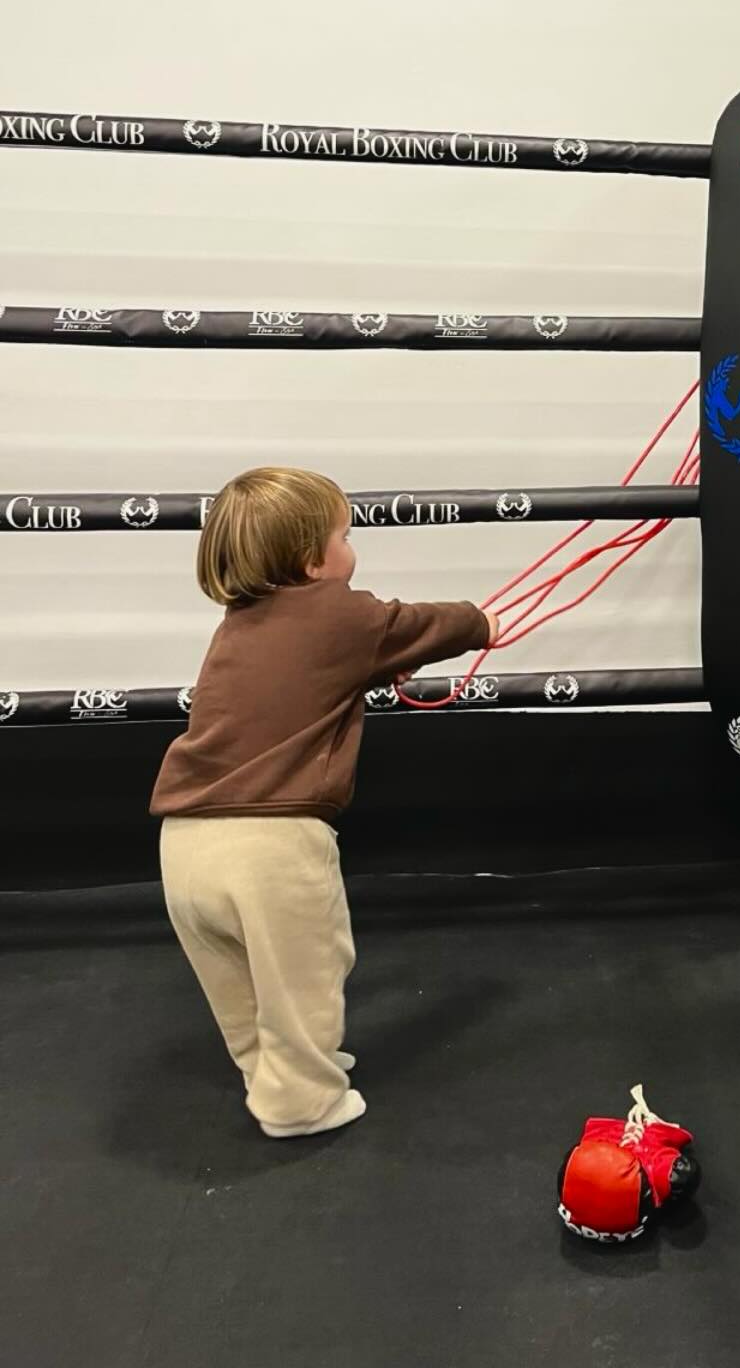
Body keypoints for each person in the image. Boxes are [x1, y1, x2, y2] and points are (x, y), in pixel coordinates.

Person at [150, 467, 496, 1139]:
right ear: (313, 560)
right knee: (307, 972)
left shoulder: (237, 626)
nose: (352, 549)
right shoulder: (342, 613)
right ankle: (301, 1103)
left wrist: (374, 657)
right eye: (345, 535)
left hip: (183, 841)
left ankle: (266, 1072)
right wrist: (484, 622)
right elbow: (415, 624)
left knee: (242, 985)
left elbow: (333, 663)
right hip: (270, 845)